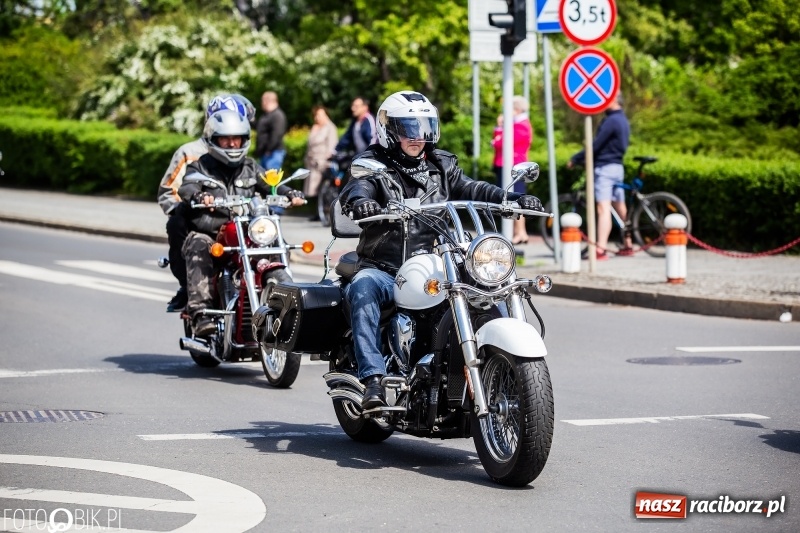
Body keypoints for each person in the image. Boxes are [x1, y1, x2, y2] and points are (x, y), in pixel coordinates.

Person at [338, 91, 544, 410]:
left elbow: (471, 188)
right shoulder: (373, 165)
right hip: (385, 268)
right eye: (408, 129)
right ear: (389, 130)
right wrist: (361, 202)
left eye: (423, 128)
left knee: (484, 287)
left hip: (436, 263)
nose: (417, 137)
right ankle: (373, 380)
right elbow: (357, 188)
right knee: (362, 290)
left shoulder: (441, 164)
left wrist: (510, 198)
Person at [178, 109, 304, 337]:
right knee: (197, 243)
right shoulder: (201, 167)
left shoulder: (250, 167)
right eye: (225, 139)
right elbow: (187, 186)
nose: (232, 144)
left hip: (246, 231)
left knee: (277, 241)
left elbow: (270, 184)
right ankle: (201, 313)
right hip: (213, 233)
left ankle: (285, 308)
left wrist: (289, 192)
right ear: (213, 140)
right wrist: (198, 195)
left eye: (237, 138)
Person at [157, 93, 255, 312]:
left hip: (236, 222)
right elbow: (168, 191)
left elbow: (255, 182)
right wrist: (191, 207)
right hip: (199, 219)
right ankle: (188, 287)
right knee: (177, 224)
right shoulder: (189, 153)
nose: (232, 141)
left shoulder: (239, 152)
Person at [567, 92, 631, 260]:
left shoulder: (611, 121)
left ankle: (600, 249)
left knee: (603, 209)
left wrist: (576, 158)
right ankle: (628, 244)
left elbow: (596, 145)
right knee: (620, 207)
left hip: (605, 168)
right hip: (617, 166)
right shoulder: (623, 119)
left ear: (613, 100)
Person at [492, 95, 533, 244]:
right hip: (508, 164)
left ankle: (520, 232)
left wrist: (499, 129)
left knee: (515, 199)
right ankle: (520, 232)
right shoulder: (517, 124)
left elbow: (500, 143)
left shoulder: (521, 125)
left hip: (514, 165)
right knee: (512, 199)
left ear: (517, 109)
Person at [303, 105, 339, 221]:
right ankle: (317, 212)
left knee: (320, 187)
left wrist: (328, 159)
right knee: (313, 189)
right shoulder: (315, 127)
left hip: (323, 161)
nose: (318, 117)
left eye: (320, 115)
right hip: (312, 161)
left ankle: (324, 210)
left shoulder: (330, 127)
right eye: (316, 115)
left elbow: (332, 146)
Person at [255, 91, 287, 171]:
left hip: (273, 153)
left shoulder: (277, 115)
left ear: (267, 101)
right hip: (265, 153)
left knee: (271, 177)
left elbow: (277, 134)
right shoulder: (266, 115)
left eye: (262, 101)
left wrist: (269, 150)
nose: (261, 103)